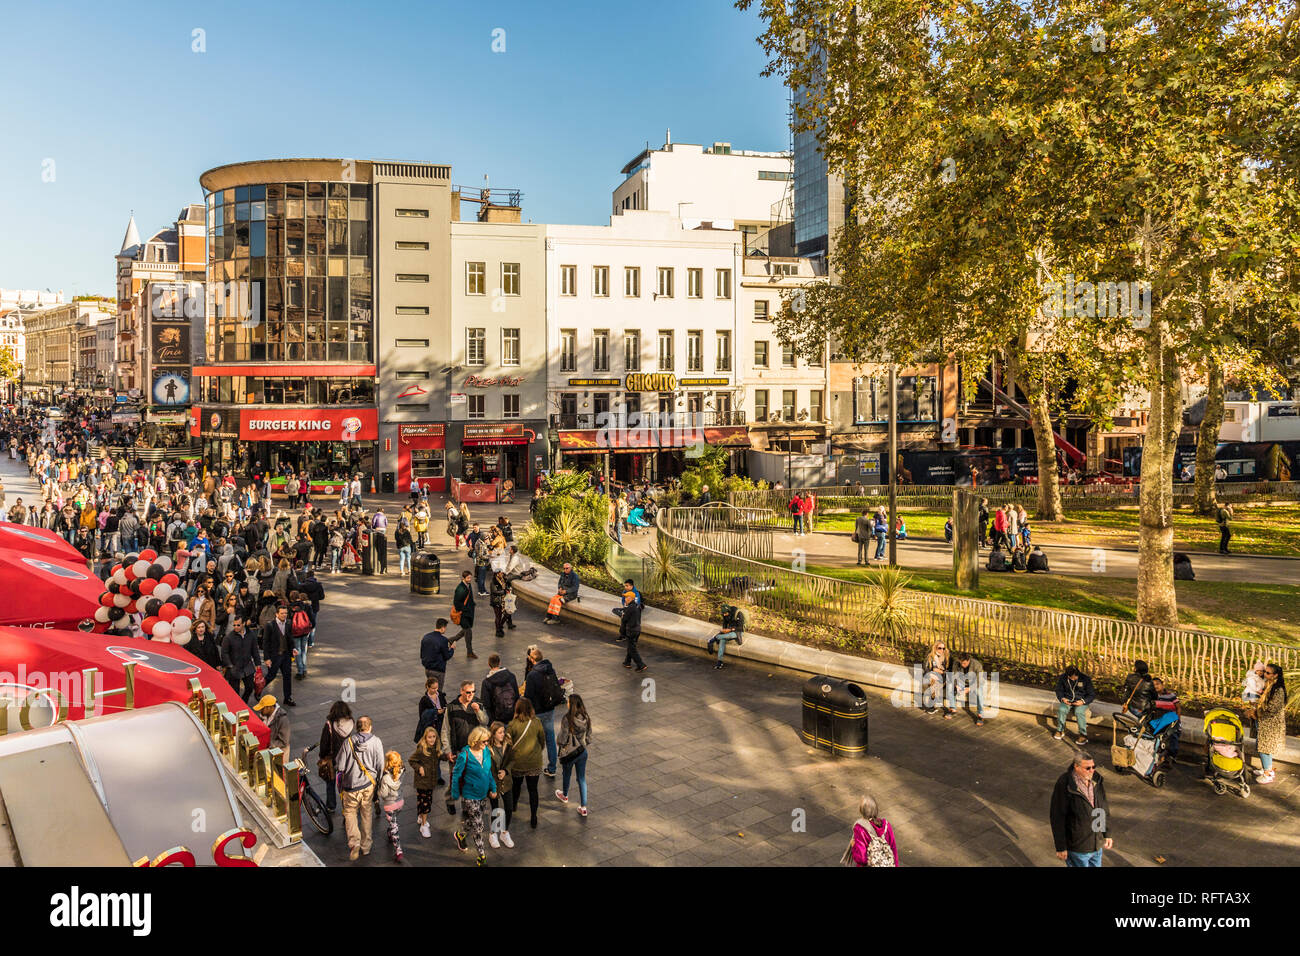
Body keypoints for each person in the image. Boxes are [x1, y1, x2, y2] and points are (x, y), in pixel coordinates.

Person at [1049, 751, 1112, 867]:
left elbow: (1102, 807)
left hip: (1096, 845)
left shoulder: (1096, 780)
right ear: (1076, 767)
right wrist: (1061, 847)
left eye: (1093, 767)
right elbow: (1057, 817)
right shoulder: (1065, 784)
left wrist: (1106, 833)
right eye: (1087, 768)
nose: (1092, 770)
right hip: (1078, 847)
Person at [336, 715, 384, 861]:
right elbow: (380, 765)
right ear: (370, 727)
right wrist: (378, 781)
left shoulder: (348, 742)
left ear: (357, 728)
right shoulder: (376, 742)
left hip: (350, 786)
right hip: (368, 785)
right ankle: (366, 846)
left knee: (350, 813)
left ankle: (354, 842)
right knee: (366, 814)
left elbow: (340, 766)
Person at [450, 726, 496, 866]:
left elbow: (488, 772)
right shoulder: (465, 755)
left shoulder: (486, 751)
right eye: (484, 741)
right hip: (470, 795)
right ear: (475, 741)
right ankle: (481, 857)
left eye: (487, 741)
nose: (486, 744)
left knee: (473, 820)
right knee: (479, 826)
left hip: (482, 794)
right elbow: (456, 775)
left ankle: (460, 834)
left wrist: (493, 787)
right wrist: (455, 793)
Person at [445, 680, 489, 814]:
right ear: (461, 691)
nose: (471, 695)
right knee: (456, 779)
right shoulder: (452, 707)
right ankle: (450, 800)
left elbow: (485, 722)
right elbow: (445, 730)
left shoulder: (478, 704)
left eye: (473, 692)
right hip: (457, 750)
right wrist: (447, 751)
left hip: (474, 751)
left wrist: (478, 711)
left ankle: (467, 806)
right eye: (468, 692)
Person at [504, 697, 546, 830]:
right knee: (533, 790)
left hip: (517, 763)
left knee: (516, 786)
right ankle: (534, 816)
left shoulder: (512, 725)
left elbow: (508, 745)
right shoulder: (537, 722)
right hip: (534, 762)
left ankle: (514, 805)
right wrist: (538, 750)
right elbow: (542, 740)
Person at [523, 645, 563, 777]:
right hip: (550, 709)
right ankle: (552, 768)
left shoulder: (532, 675)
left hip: (537, 712)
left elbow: (528, 696)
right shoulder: (550, 669)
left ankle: (532, 766)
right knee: (550, 738)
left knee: (533, 740)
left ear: (532, 660)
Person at [1248, 663, 1288, 785]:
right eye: (1265, 672)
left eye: (1268, 673)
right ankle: (1267, 769)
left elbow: (1272, 708)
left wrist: (1256, 712)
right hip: (1263, 721)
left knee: (1264, 748)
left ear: (1275, 675)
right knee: (1263, 747)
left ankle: (1267, 774)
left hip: (1270, 724)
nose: (1265, 674)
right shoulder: (1268, 685)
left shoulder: (1278, 689)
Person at [555, 693, 591, 816]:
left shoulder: (567, 718)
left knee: (567, 774)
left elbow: (562, 739)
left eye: (569, 702)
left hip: (569, 753)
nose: (567, 703)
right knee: (581, 779)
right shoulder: (586, 717)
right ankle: (584, 807)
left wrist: (558, 741)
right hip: (582, 752)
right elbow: (589, 737)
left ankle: (565, 795)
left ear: (572, 704)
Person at [841, 794, 898, 867]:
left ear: (861, 810)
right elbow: (893, 850)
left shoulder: (860, 829)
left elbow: (861, 858)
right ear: (876, 809)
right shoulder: (886, 825)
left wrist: (854, 845)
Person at [319, 701, 353, 813]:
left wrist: (322, 756)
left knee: (330, 782)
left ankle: (331, 805)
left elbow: (324, 744)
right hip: (348, 758)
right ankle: (347, 806)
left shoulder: (329, 725)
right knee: (346, 784)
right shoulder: (351, 723)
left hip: (332, 759)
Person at [409, 726, 441, 839]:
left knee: (424, 800)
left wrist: (448, 756)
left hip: (431, 781)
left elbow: (440, 756)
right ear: (425, 738)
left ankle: (420, 816)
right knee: (425, 803)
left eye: (434, 737)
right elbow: (411, 760)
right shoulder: (422, 749)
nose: (432, 739)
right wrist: (419, 768)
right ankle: (423, 825)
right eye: (429, 737)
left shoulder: (435, 749)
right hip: (422, 781)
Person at [486, 722, 514, 848]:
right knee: (496, 810)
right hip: (493, 783)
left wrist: (506, 771)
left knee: (509, 808)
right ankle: (493, 834)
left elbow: (513, 760)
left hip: (506, 782)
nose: (503, 734)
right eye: (500, 732)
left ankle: (504, 832)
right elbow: (486, 768)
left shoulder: (508, 745)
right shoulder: (487, 749)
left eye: (503, 731)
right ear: (493, 734)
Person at [261, 604, 296, 706]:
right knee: (271, 676)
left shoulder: (289, 623)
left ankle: (287, 698)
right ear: (276, 614)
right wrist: (266, 658)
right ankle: (258, 689)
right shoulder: (270, 625)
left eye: (286, 613)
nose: (284, 615)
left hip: (286, 655)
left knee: (287, 676)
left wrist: (293, 648)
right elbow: (265, 643)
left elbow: (290, 638)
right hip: (274, 656)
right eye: (282, 613)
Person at [219, 616, 258, 702]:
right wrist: (230, 665)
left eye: (238, 625)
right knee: (235, 692)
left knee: (250, 688)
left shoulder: (251, 635)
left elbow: (255, 650)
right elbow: (224, 653)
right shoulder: (228, 637)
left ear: (243, 624)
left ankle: (243, 702)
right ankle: (237, 707)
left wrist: (258, 664)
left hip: (247, 667)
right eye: (234, 625)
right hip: (234, 667)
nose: (236, 627)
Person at [1053, 665, 1095, 744]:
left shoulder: (1086, 679)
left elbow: (1091, 695)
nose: (1073, 679)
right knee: (1062, 710)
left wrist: (1083, 701)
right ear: (1068, 676)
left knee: (1079, 712)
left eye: (1075, 677)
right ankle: (1060, 730)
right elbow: (1059, 690)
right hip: (1068, 700)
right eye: (1071, 677)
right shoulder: (1063, 678)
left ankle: (1083, 735)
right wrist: (1062, 698)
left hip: (1081, 701)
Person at [376, 751, 405, 862]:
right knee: (393, 821)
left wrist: (378, 792)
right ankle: (390, 831)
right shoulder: (403, 771)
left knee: (394, 826)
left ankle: (398, 850)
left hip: (390, 805)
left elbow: (383, 794)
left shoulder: (385, 778)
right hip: (400, 802)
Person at [945, 651, 986, 725]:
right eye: (961, 663)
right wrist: (956, 685)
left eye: (964, 663)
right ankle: (952, 708)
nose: (962, 665)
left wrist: (970, 688)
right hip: (962, 682)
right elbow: (954, 676)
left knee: (979, 693)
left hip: (974, 683)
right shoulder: (956, 663)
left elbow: (979, 680)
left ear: (968, 660)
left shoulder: (977, 665)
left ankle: (980, 714)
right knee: (950, 687)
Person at [482, 653, 521, 726]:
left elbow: (486, 704)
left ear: (488, 664)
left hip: (497, 719)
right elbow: (517, 696)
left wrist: (491, 722)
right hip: (512, 716)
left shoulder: (486, 682)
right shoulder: (511, 676)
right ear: (499, 663)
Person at [705, 604, 745, 670]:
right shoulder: (725, 614)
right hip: (729, 630)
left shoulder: (738, 613)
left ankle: (713, 639)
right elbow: (725, 624)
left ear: (729, 611)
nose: (724, 615)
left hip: (738, 632)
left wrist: (730, 629)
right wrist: (724, 630)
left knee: (729, 635)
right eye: (723, 614)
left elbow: (740, 628)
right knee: (722, 640)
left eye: (725, 613)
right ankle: (719, 661)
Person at [617, 588, 646, 671]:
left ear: (631, 598)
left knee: (632, 649)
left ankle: (641, 665)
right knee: (631, 647)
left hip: (631, 631)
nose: (625, 599)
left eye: (627, 597)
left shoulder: (630, 608)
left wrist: (622, 633)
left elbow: (624, 620)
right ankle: (627, 662)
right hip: (637, 629)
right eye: (625, 597)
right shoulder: (637, 607)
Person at [451, 570, 477, 659]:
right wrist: (465, 609)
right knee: (468, 632)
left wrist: (472, 604)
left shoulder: (468, 585)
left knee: (465, 631)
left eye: (470, 577)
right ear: (463, 578)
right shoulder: (460, 588)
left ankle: (451, 640)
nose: (470, 579)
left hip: (468, 613)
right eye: (468, 578)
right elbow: (457, 603)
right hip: (463, 615)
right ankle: (469, 652)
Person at [920, 641, 949, 714]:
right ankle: (930, 705)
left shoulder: (946, 657)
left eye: (943, 648)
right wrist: (932, 671)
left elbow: (948, 670)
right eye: (939, 648)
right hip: (931, 676)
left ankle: (930, 705)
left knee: (934, 683)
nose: (942, 650)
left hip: (942, 678)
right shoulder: (930, 657)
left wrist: (941, 672)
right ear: (935, 648)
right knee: (932, 681)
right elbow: (925, 668)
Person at [489, 569, 508, 637]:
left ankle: (500, 626)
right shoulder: (493, 582)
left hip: (503, 600)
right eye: (501, 573)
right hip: (496, 601)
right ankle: (498, 630)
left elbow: (506, 585)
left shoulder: (503, 580)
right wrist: (504, 591)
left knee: (507, 614)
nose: (502, 574)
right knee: (498, 616)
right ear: (497, 574)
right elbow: (494, 591)